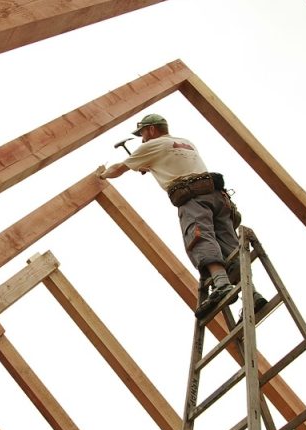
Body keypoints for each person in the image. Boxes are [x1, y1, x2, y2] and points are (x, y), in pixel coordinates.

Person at [98, 113, 266, 318]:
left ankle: (221, 285)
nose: (142, 139)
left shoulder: (150, 146)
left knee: (199, 237)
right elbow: (176, 163)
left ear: (151, 129)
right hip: (218, 197)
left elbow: (119, 168)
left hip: (193, 199)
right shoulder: (184, 142)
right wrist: (149, 166)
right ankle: (253, 295)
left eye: (142, 133)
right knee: (230, 247)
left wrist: (102, 174)